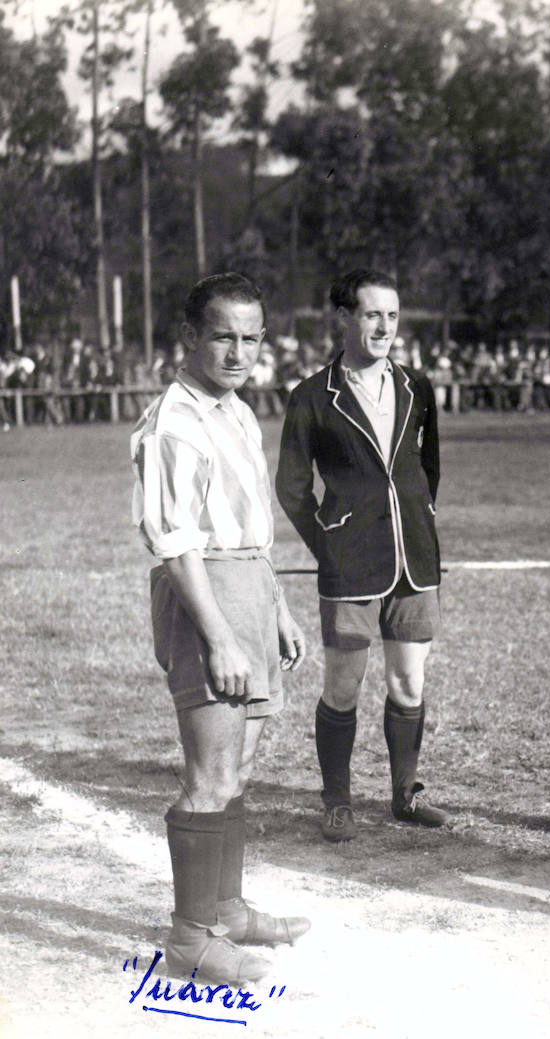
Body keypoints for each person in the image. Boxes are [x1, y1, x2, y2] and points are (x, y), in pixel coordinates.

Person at [130, 273, 309, 984]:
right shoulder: (173, 422)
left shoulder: (234, 409)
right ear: (189, 336)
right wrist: (221, 636)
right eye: (222, 336)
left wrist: (277, 608)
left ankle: (227, 909)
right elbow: (175, 543)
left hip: (249, 587)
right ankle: (191, 939)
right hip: (204, 593)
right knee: (209, 775)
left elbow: (248, 523)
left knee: (239, 768)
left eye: (250, 337)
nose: (237, 351)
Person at [276, 268, 450, 843]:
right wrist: (330, 542)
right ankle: (337, 800)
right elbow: (292, 488)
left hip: (414, 560)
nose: (384, 327)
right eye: (372, 314)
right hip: (350, 565)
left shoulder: (416, 385)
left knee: (409, 684)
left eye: (392, 316)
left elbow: (429, 470)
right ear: (344, 318)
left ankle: (404, 794)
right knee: (343, 686)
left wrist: (418, 519)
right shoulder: (310, 396)